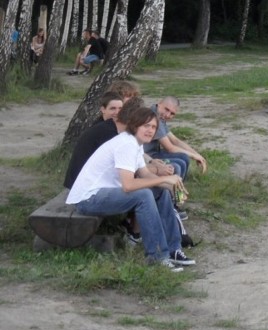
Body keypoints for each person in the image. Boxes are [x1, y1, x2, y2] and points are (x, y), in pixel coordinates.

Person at [66, 105, 194, 270]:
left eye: (153, 127)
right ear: (135, 125)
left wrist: (170, 184)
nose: (150, 131)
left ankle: (173, 249)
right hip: (88, 198)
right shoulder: (126, 144)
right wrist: (165, 179)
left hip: (104, 194)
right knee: (144, 195)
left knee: (160, 191)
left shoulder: (136, 143)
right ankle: (157, 257)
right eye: (145, 126)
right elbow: (128, 185)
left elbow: (145, 174)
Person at [146, 97, 208, 181]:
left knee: (184, 157)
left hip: (153, 152)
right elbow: (170, 148)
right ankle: (177, 191)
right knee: (179, 164)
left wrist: (197, 155)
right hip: (147, 156)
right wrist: (194, 156)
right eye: (166, 109)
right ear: (159, 103)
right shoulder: (153, 117)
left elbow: (175, 140)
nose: (168, 115)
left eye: (172, 113)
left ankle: (180, 188)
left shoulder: (159, 115)